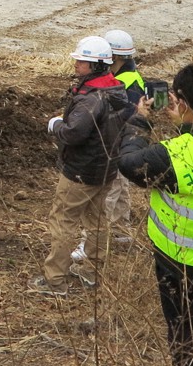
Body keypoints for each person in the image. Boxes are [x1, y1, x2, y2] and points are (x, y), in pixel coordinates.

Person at [118, 63, 193, 366]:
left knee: (186, 335)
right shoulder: (186, 147)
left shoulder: (175, 155)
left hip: (182, 265)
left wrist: (140, 122)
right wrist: (187, 123)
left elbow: (131, 164)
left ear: (181, 102)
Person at [28, 36, 129, 296]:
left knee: (63, 221)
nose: (75, 64)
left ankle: (55, 282)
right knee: (97, 221)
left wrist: (56, 125)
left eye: (80, 61)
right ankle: (94, 275)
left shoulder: (90, 99)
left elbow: (73, 133)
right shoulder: (117, 89)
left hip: (81, 171)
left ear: (95, 65)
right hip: (106, 170)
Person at [104, 29, 146, 243]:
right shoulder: (128, 76)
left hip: (118, 142)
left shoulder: (124, 82)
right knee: (120, 186)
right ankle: (122, 230)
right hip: (125, 141)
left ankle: (93, 240)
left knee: (109, 189)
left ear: (116, 56)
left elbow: (124, 116)